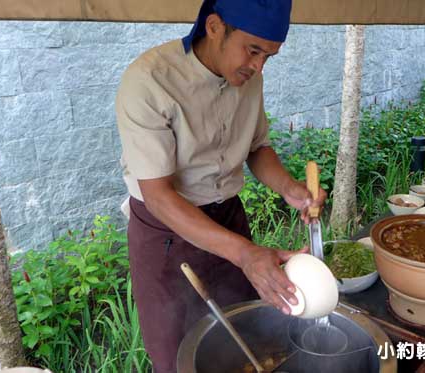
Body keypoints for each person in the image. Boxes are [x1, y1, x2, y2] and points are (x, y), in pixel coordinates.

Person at [115, 0, 327, 371]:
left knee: (244, 337)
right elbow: (159, 196)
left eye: (269, 56)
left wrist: (289, 188)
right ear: (214, 27)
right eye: (254, 50)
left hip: (228, 217)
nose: (259, 67)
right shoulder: (150, 81)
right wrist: (246, 254)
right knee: (178, 352)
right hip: (166, 232)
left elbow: (257, 148)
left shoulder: (249, 77)